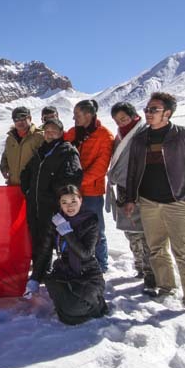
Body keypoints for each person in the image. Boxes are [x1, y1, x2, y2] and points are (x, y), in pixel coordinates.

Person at [124, 92, 185, 312]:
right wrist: (131, 198)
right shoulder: (140, 139)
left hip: (178, 202)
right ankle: (166, 287)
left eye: (154, 110)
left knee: (183, 251)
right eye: (147, 110)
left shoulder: (184, 136)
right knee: (156, 248)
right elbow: (132, 172)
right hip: (149, 202)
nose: (148, 114)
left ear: (167, 113)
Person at [19, 119, 82, 297]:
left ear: (61, 132)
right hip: (35, 204)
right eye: (47, 131)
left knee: (47, 241)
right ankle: (41, 273)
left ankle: (37, 277)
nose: (49, 134)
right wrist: (28, 189)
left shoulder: (67, 151)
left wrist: (53, 194)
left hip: (52, 206)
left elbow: (73, 178)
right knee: (37, 239)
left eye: (54, 131)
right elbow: (27, 172)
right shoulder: (41, 151)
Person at [105, 103, 155, 292]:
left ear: (134, 116)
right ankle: (139, 265)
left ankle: (151, 272)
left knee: (145, 232)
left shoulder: (145, 134)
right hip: (124, 188)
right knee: (130, 230)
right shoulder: (119, 137)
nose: (120, 122)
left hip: (143, 189)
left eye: (124, 118)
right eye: (117, 120)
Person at [46, 185, 108, 325]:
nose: (69, 206)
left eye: (73, 201)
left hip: (87, 273)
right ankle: (70, 303)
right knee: (51, 282)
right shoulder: (58, 220)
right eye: (64, 202)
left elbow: (85, 254)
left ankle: (97, 303)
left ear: (81, 200)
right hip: (66, 270)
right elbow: (46, 248)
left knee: (72, 310)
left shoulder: (90, 220)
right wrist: (35, 279)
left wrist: (67, 232)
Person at [64, 99, 114, 272]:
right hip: (72, 192)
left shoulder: (104, 136)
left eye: (77, 114)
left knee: (97, 229)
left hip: (91, 191)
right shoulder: (72, 133)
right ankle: (78, 262)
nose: (74, 118)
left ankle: (101, 265)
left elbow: (101, 167)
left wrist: (77, 182)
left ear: (89, 114)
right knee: (73, 228)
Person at [0, 106, 44, 186]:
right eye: (16, 119)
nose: (20, 122)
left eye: (23, 118)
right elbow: (5, 156)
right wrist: (4, 168)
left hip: (32, 186)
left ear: (30, 118)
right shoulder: (10, 139)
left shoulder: (40, 137)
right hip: (13, 185)